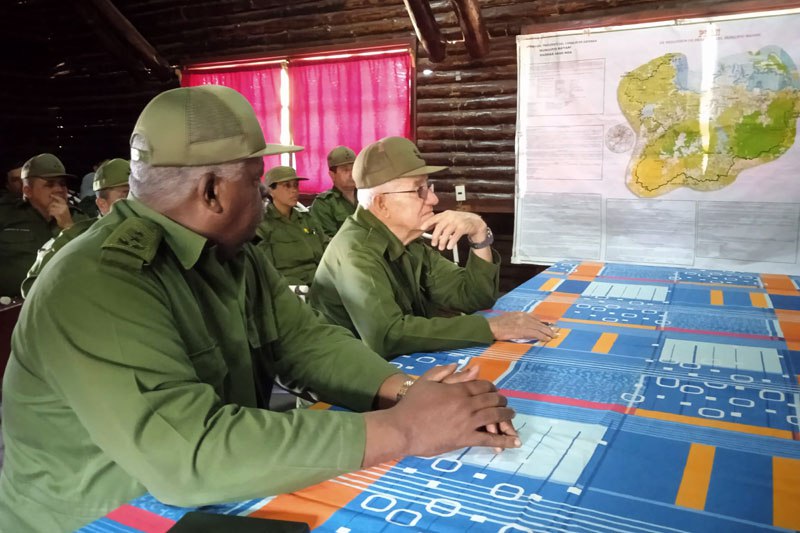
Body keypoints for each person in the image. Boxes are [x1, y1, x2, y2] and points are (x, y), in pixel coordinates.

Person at [0, 86, 519, 532]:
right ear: (212, 192)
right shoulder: (100, 282)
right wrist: (405, 429)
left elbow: (305, 342)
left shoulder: (232, 254)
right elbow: (191, 452)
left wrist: (407, 391)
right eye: (256, 181)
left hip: (204, 493)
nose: (268, 198)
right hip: (98, 514)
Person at [309, 136, 557, 359]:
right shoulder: (355, 251)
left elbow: (472, 296)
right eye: (419, 190)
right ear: (382, 203)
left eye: (429, 187)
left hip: (394, 367)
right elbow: (388, 336)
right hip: (347, 391)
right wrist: (491, 327)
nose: (434, 199)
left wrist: (479, 234)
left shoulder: (408, 241)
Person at [21, 158, 131, 297]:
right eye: (126, 194)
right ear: (102, 204)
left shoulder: (152, 231)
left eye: (139, 192)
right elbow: (32, 288)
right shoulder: (81, 233)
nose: (137, 200)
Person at [0, 153, 86, 297]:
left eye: (62, 183)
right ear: (27, 191)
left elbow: (89, 263)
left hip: (64, 302)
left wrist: (68, 227)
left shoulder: (79, 219)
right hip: (11, 308)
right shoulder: (6, 215)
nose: (59, 189)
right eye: (50, 184)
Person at [254, 165, 328, 286]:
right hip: (290, 287)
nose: (294, 190)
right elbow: (266, 271)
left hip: (321, 281)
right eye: (287, 185)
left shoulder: (306, 219)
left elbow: (326, 249)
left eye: (295, 185)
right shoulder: (263, 225)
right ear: (271, 190)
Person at [310, 145, 357, 238]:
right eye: (345, 170)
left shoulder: (368, 197)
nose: (351, 174)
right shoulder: (324, 203)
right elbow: (327, 241)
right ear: (332, 175)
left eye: (354, 168)